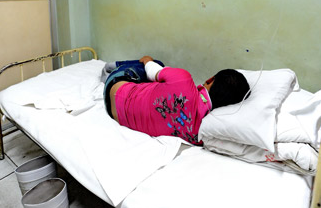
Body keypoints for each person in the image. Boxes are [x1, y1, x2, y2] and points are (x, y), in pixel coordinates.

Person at [103, 56, 250, 145]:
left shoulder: (183, 79)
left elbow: (150, 69)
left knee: (156, 63)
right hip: (119, 116)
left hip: (114, 89)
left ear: (210, 79)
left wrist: (147, 60)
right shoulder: (202, 135)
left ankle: (110, 67)